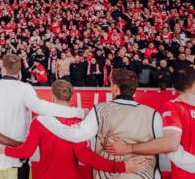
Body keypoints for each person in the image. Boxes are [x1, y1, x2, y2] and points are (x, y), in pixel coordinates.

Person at [0, 54, 85, 179]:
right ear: (18, 72)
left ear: (2, 69)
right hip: (17, 159)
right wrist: (78, 112)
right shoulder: (24, 88)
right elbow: (43, 108)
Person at [37, 68, 195, 179]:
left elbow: (75, 136)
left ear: (114, 88)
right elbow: (170, 149)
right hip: (144, 174)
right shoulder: (153, 114)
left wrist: (47, 119)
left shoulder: (99, 110)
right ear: (135, 90)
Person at [0, 80, 148, 178]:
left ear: (52, 97)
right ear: (71, 97)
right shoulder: (81, 120)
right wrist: (120, 167)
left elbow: (26, 152)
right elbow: (85, 156)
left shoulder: (39, 121)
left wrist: (3, 149)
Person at [105, 67, 195, 177]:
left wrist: (129, 148)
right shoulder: (172, 107)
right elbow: (170, 144)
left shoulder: (173, 107)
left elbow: (171, 144)